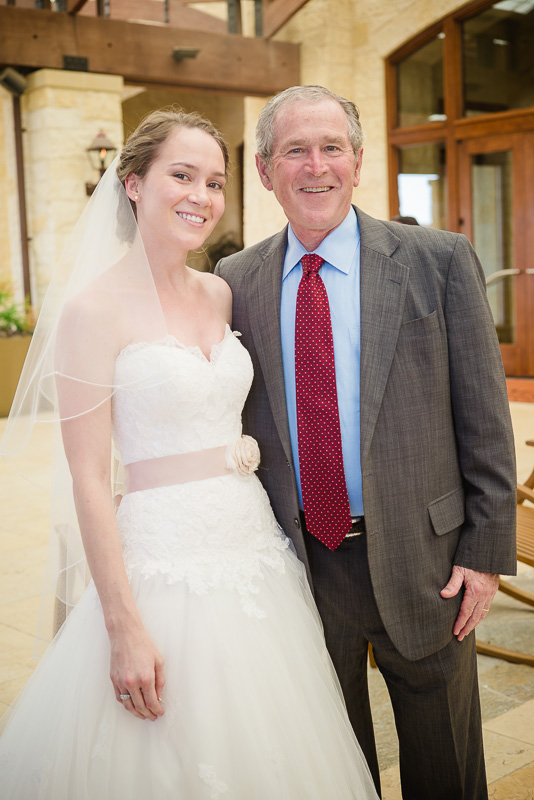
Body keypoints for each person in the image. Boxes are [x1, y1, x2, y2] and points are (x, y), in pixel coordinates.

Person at [0, 108, 379, 799]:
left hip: (254, 550)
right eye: (182, 175)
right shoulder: (92, 312)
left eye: (215, 181)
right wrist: (121, 626)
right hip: (160, 561)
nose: (201, 197)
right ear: (134, 183)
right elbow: (87, 476)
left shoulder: (221, 292)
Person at [215, 85, 517, 800]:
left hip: (428, 560)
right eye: (295, 150)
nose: (315, 166)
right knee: (331, 769)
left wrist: (484, 554)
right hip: (302, 568)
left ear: (357, 160)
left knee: (447, 764)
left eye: (331, 148)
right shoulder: (236, 281)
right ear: (265, 170)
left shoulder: (437, 261)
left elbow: (485, 418)